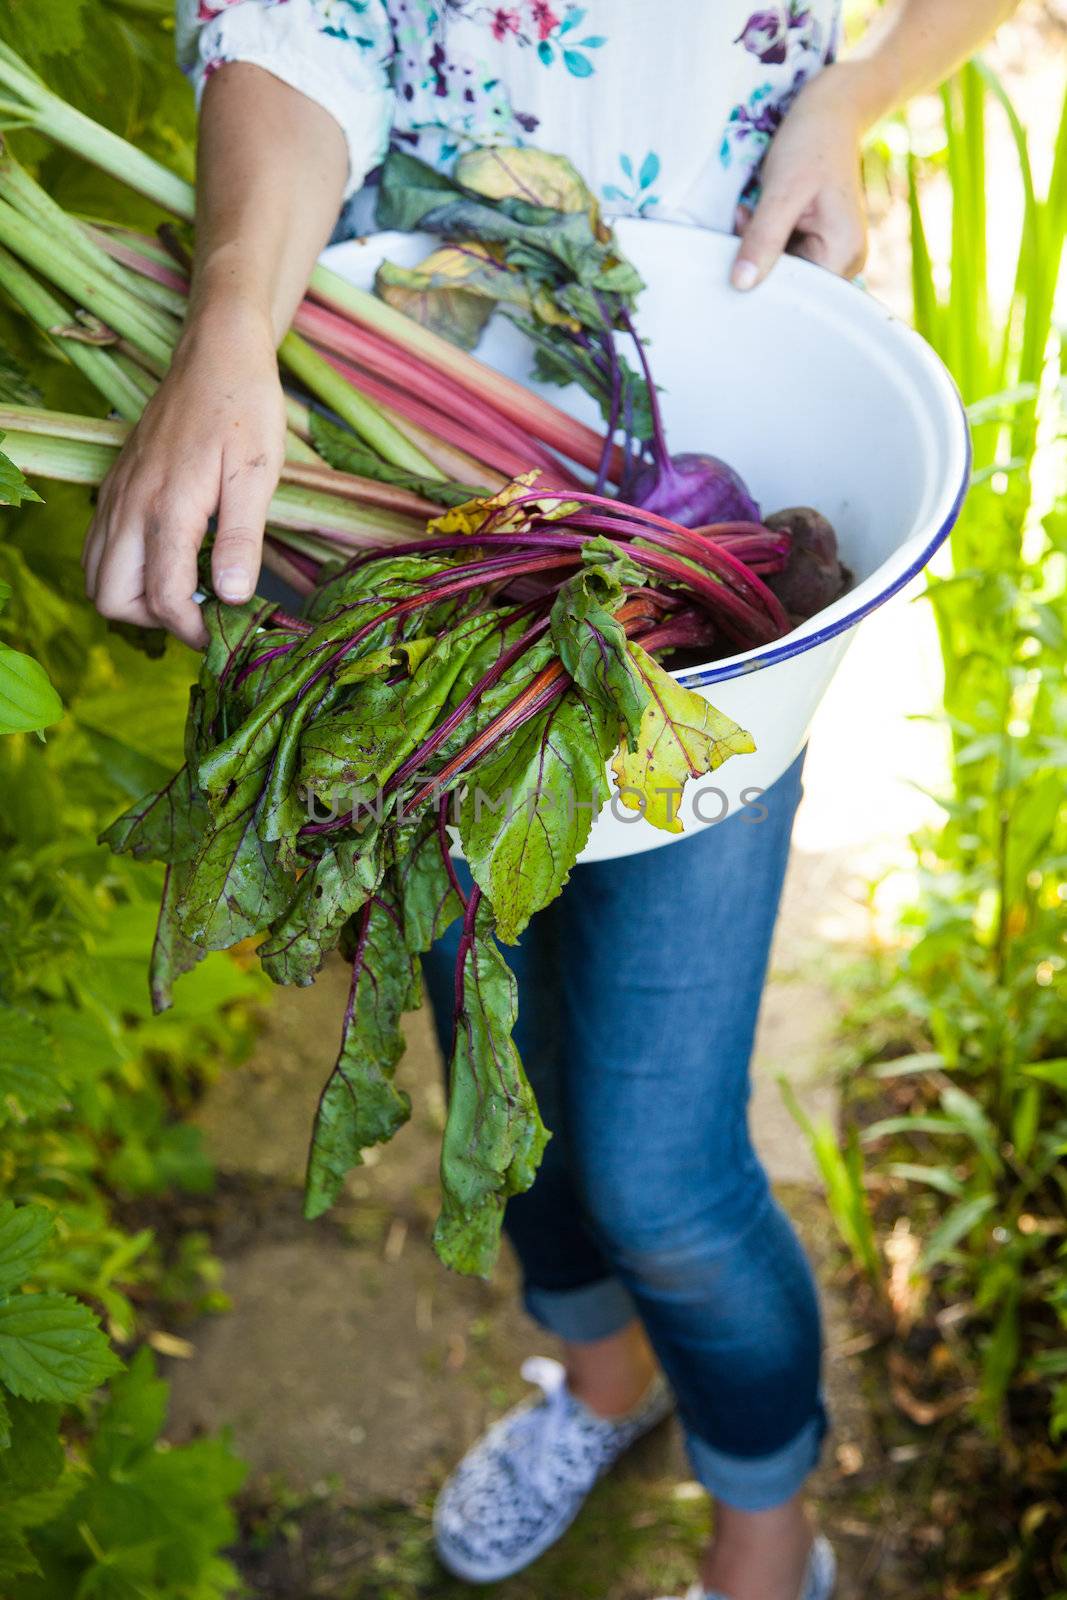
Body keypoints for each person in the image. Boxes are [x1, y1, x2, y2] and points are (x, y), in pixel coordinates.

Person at [83, 4, 1018, 1597]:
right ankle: (601, 1381)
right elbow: (287, 28)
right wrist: (230, 329)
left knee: (660, 1163)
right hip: (430, 466)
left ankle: (766, 1517)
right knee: (492, 1074)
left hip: (729, 433)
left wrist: (863, 87)